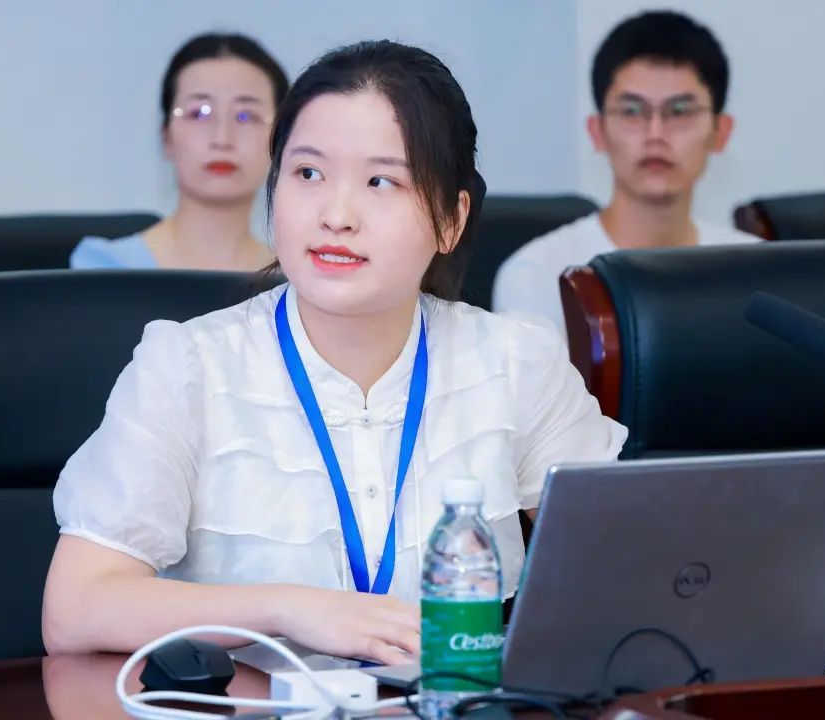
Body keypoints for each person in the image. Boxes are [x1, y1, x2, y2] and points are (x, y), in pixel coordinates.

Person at [44, 39, 626, 666]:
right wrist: (286, 610)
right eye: (308, 174)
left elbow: (627, 568)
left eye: (381, 181)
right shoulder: (187, 368)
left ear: (452, 219)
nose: (336, 215)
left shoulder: (514, 363)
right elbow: (76, 607)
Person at [494, 10, 756, 334]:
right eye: (632, 111)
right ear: (597, 131)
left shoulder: (755, 270)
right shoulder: (539, 276)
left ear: (721, 131)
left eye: (680, 111)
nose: (656, 134)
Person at [71, 33, 287, 270]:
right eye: (199, 114)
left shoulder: (295, 278)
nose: (222, 139)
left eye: (245, 116)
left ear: (279, 141)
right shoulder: (104, 268)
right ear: (166, 137)